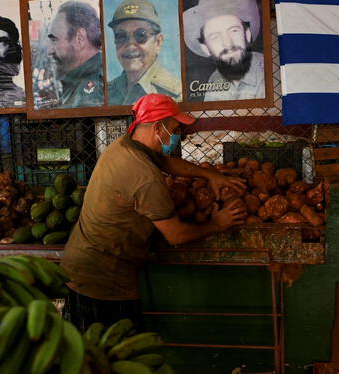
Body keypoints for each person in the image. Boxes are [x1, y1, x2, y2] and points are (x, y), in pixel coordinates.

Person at [60, 93, 248, 331]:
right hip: (103, 282)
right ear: (159, 128)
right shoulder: (145, 178)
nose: (179, 134)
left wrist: (209, 175)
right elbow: (176, 235)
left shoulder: (124, 146)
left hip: (83, 266)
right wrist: (217, 224)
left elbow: (164, 162)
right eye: (176, 128)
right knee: (109, 355)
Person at [183, 0, 265, 102]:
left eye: (233, 31)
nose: (228, 43)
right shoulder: (215, 79)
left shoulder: (266, 72)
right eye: (215, 37)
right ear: (206, 49)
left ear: (247, 35)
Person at [107, 0, 182, 105]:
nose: (130, 45)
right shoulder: (104, 94)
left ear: (158, 42)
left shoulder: (177, 94)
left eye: (140, 35)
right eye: (121, 36)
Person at [46, 1, 104, 108]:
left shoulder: (96, 83)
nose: (49, 51)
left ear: (80, 38)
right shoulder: (80, 79)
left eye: (54, 40)